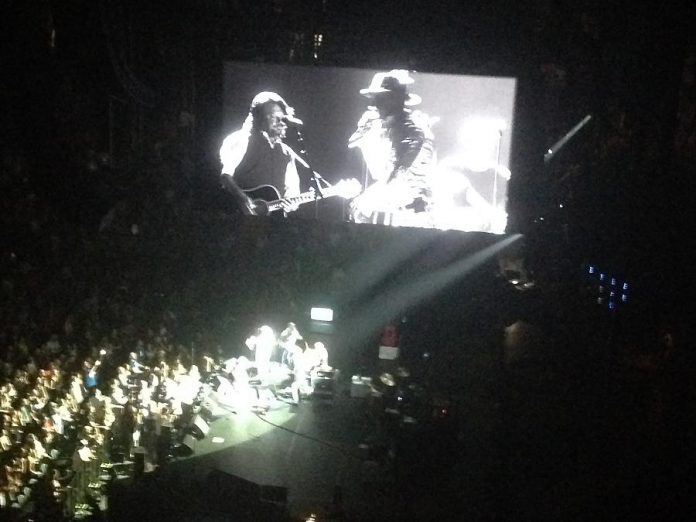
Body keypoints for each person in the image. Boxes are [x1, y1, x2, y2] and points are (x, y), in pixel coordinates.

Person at [349, 70, 437, 228]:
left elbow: (398, 174)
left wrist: (365, 202)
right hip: (390, 210)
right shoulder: (380, 127)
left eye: (380, 98)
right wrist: (365, 128)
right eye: (374, 98)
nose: (373, 104)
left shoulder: (413, 130)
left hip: (410, 217)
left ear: (396, 99)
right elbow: (353, 144)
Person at [220, 91, 305, 215]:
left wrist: (291, 204)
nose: (280, 122)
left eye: (282, 118)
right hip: (237, 217)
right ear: (258, 118)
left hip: (274, 223)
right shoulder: (241, 140)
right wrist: (244, 199)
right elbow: (225, 177)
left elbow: (292, 192)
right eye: (273, 117)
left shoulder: (286, 152)